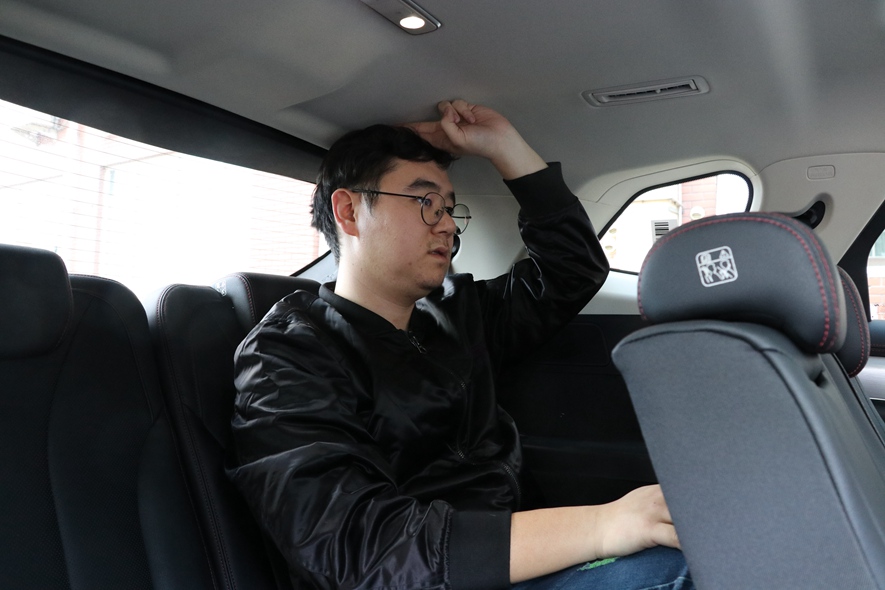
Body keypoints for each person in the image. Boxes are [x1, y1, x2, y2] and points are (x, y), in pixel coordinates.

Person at [228, 99, 692, 589]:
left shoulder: (456, 314)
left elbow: (573, 270)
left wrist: (503, 146)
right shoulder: (287, 356)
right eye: (426, 203)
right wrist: (600, 527)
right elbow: (361, 550)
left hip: (517, 557)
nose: (447, 224)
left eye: (450, 208)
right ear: (349, 211)